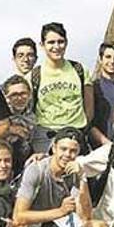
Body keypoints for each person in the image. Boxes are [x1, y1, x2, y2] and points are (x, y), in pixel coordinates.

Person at [29, 22, 94, 154]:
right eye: (51, 42)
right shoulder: (34, 75)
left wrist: (84, 125)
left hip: (75, 133)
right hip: (46, 136)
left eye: (60, 42)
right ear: (42, 45)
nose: (56, 47)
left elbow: (89, 104)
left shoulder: (79, 70)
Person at [0, 75, 35, 174]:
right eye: (14, 95)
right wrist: (9, 130)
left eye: (23, 94)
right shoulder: (0, 115)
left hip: (25, 162)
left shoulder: (33, 116)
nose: (19, 98)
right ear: (6, 96)